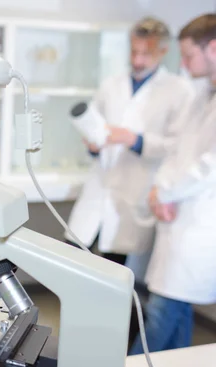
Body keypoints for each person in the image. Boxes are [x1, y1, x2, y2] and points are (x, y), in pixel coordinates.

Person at [65, 17, 195, 348]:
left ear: (163, 52)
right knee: (76, 274)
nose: (137, 61)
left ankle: (112, 354)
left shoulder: (180, 90)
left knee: (118, 286)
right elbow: (93, 127)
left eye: (145, 55)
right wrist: (93, 143)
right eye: (133, 52)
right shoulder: (112, 84)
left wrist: (135, 139)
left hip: (134, 198)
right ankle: (81, 343)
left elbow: (179, 147)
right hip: (99, 193)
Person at [129, 14, 216, 355]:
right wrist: (158, 191)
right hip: (175, 216)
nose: (183, 64)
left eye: (189, 56)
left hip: (198, 225)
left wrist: (165, 192)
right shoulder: (201, 96)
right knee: (176, 319)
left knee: (162, 315)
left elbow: (209, 168)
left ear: (213, 48)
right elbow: (176, 149)